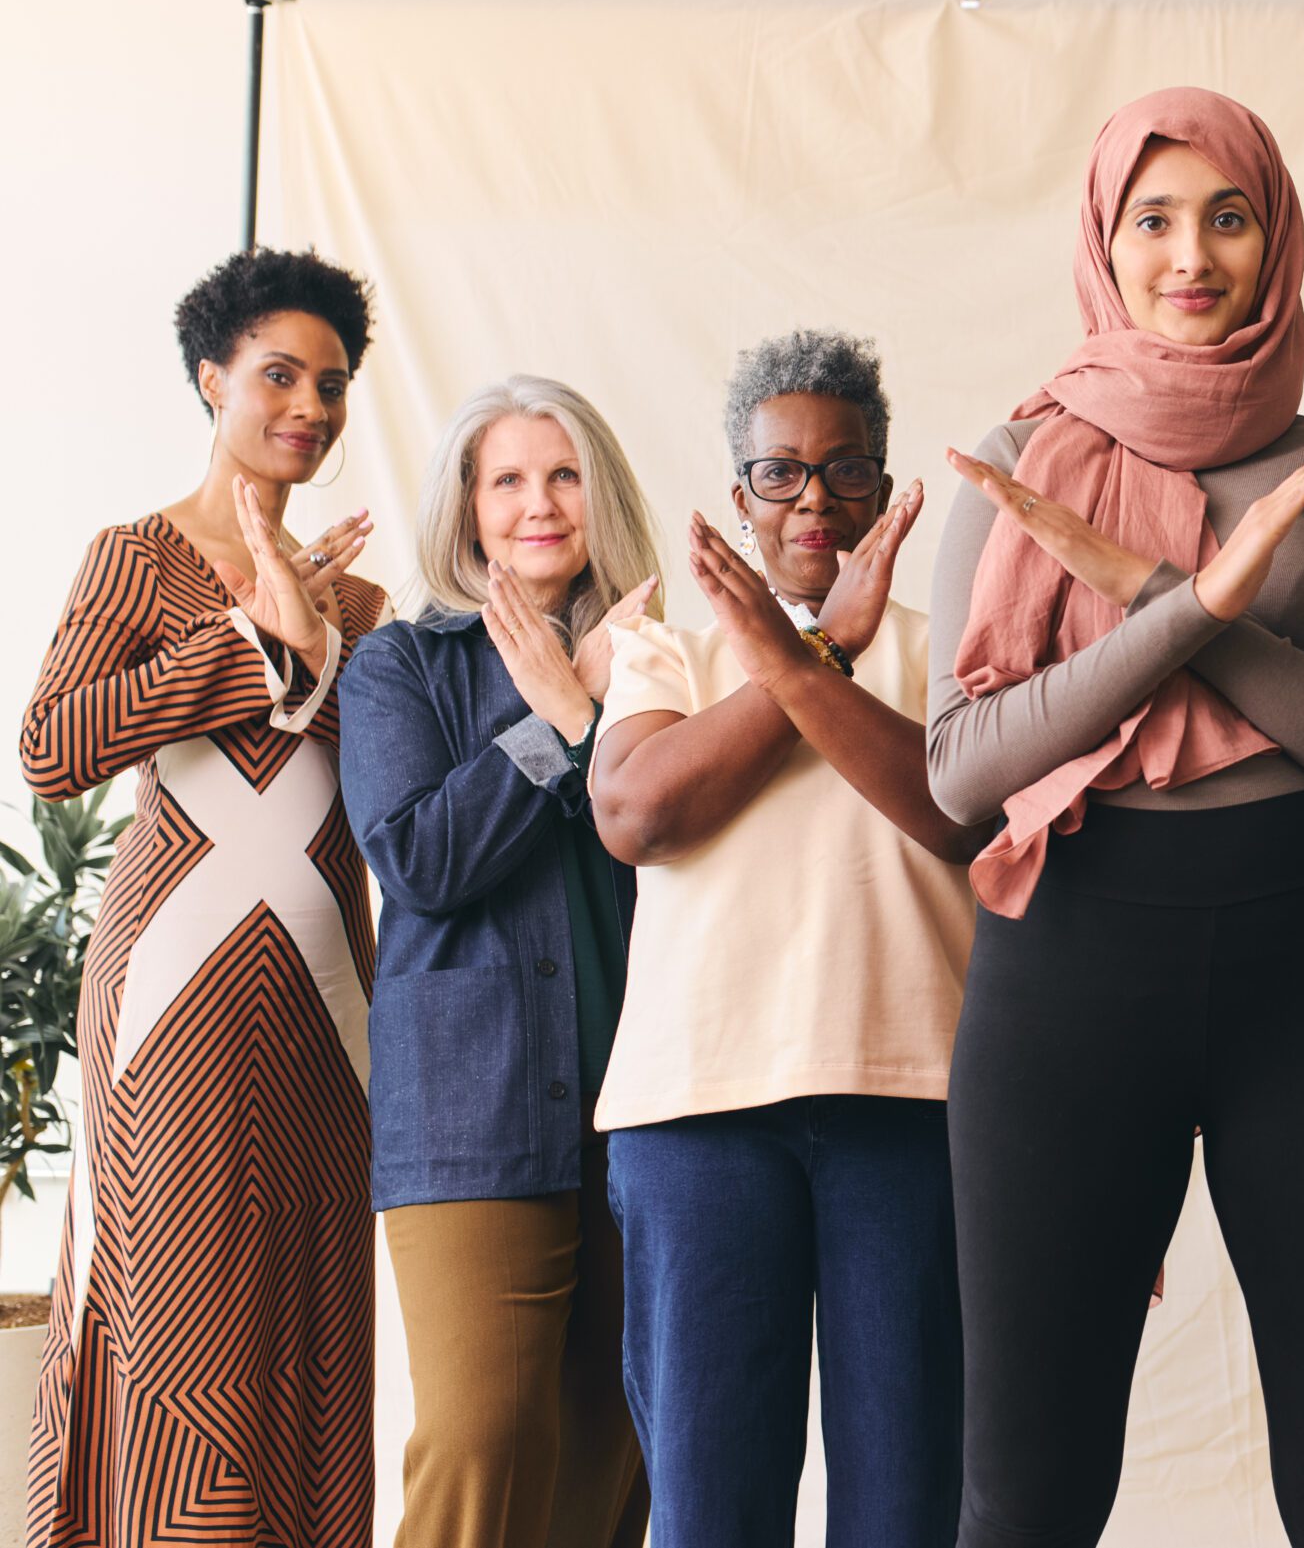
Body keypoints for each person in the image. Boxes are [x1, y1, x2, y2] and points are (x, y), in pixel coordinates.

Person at [927, 86, 1304, 1548]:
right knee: (1023, 1493)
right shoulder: (1018, 460)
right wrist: (1205, 610)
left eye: (1229, 216)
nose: (1191, 254)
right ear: (1105, 238)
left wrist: (1170, 599)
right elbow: (961, 772)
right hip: (1072, 967)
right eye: (1153, 218)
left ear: (1275, 234)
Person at [590, 330, 984, 1547]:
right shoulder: (669, 650)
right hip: (698, 1113)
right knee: (710, 1511)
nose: (815, 496)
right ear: (737, 494)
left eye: (846, 468)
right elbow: (639, 809)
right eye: (780, 471)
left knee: (906, 1506)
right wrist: (819, 651)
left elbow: (963, 819)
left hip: (914, 1108)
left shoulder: (955, 647)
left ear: (882, 483)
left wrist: (835, 653)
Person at [18, 246, 385, 1547]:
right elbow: (52, 750)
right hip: (176, 992)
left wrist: (320, 632)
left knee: (313, 1312)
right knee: (177, 1302)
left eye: (332, 383)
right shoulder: (140, 557)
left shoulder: (366, 598)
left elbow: (387, 794)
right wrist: (245, 644)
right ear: (211, 378)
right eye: (279, 374)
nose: (309, 404)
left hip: (332, 1007)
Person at [338, 376, 661, 1548]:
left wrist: (610, 694)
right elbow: (419, 859)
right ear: (467, 509)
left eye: (564, 473)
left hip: (644, 1107)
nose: (540, 503)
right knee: (482, 1441)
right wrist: (558, 715)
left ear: (601, 492)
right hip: (470, 1113)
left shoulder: (664, 659)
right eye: (508, 478)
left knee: (614, 1452)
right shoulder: (400, 669)